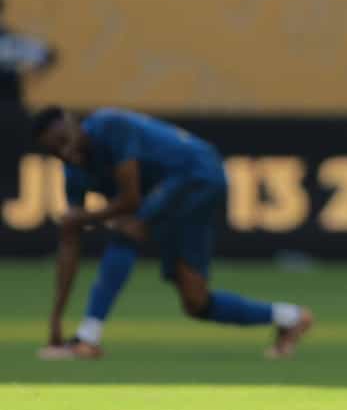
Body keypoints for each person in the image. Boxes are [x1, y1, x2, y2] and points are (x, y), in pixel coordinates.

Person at [31, 106, 314, 360]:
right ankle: (290, 317)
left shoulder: (111, 125)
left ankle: (87, 339)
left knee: (127, 230)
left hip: (197, 174)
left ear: (73, 123)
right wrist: (56, 318)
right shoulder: (73, 172)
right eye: (55, 151)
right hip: (169, 190)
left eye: (64, 141)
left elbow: (130, 201)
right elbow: (70, 242)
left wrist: (87, 217)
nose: (65, 152)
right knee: (196, 302)